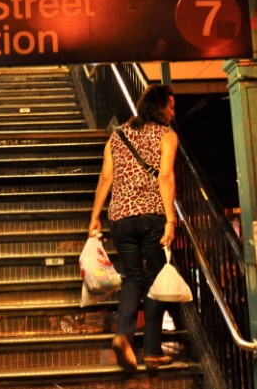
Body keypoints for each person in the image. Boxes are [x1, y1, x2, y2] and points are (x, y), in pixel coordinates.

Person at [88, 84, 179, 371]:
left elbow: (105, 178)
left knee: (132, 278)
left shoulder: (117, 135)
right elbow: (165, 176)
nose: (173, 113)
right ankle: (152, 351)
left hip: (120, 218)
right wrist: (170, 220)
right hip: (152, 216)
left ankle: (122, 337)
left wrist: (95, 216)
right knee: (154, 280)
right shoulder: (166, 134)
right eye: (171, 107)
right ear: (159, 107)